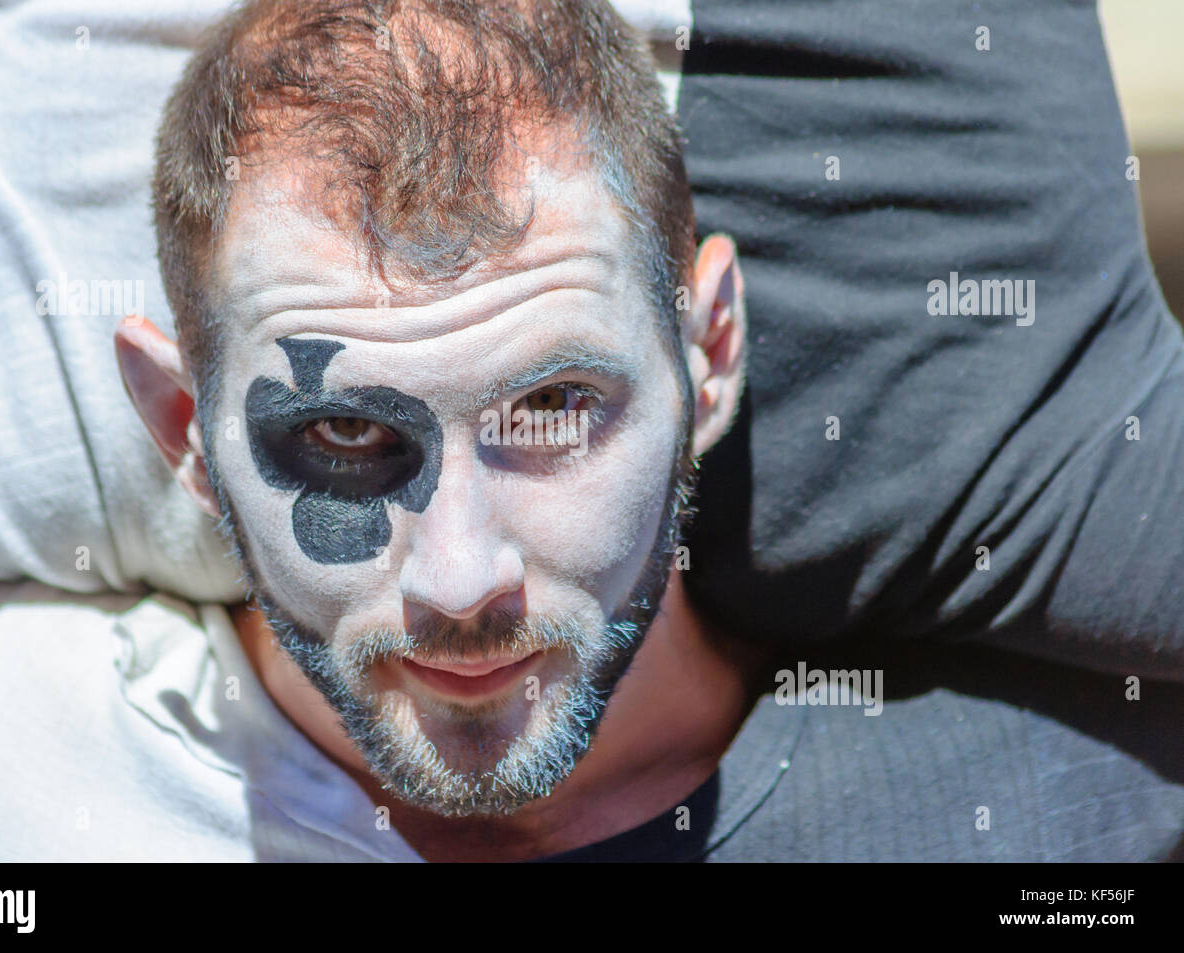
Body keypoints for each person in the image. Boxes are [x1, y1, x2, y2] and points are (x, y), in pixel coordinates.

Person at [108, 0, 1183, 861]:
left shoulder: (1076, 796)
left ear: (710, 352)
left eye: (552, 406)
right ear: (186, 428)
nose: (460, 580)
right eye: (342, 434)